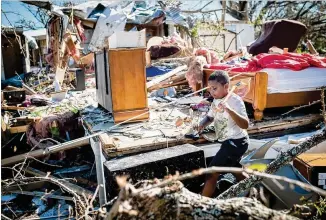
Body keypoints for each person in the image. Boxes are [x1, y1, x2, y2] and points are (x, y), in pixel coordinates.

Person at [196, 70, 249, 198]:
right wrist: (202, 123)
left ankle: (203, 203)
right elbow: (210, 117)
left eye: (215, 88)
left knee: (212, 172)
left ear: (226, 87)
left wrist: (229, 110)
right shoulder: (215, 101)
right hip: (226, 141)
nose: (211, 92)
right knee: (235, 168)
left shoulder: (235, 101)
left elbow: (245, 125)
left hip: (237, 142)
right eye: (210, 89)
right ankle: (253, 190)